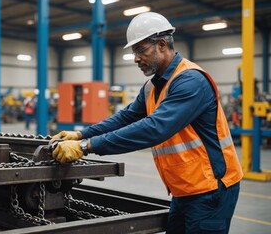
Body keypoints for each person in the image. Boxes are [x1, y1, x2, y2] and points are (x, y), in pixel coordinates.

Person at [50, 12, 243, 234]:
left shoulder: (191, 81)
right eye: (134, 52)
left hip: (211, 188)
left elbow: (155, 128)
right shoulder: (152, 86)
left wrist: (86, 147)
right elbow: (126, 117)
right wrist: (81, 135)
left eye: (141, 50)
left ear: (161, 45)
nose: (136, 58)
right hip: (185, 187)